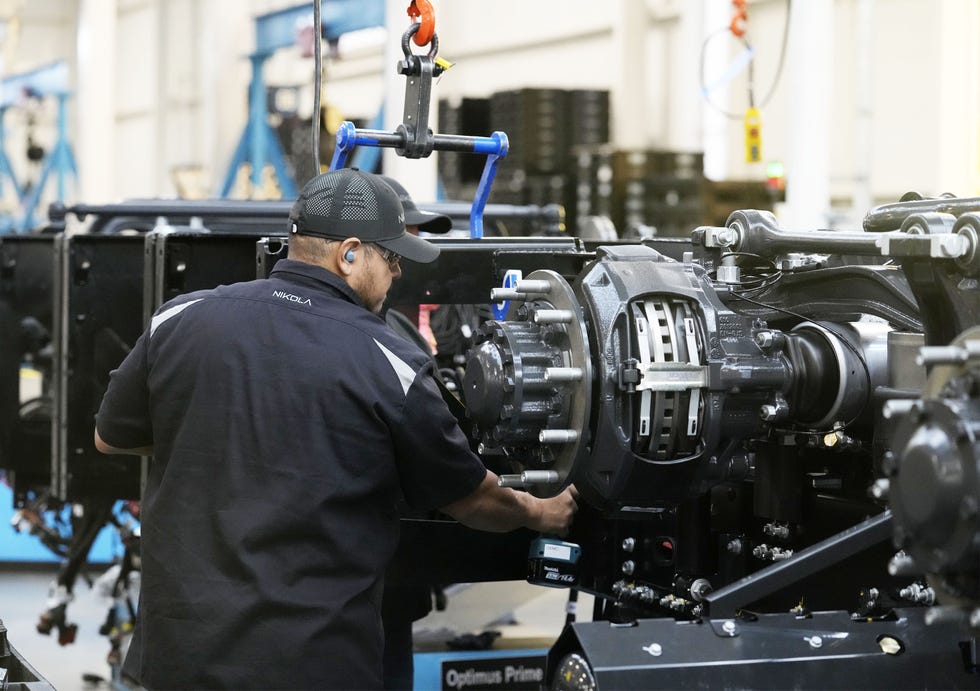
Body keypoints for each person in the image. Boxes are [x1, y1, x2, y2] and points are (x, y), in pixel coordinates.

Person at [93, 167, 578, 690]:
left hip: (179, 659)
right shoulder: (390, 361)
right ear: (349, 254)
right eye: (391, 258)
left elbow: (110, 436)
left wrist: (208, 439)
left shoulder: (179, 318)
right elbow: (473, 499)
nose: (397, 274)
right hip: (310, 664)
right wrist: (542, 511)